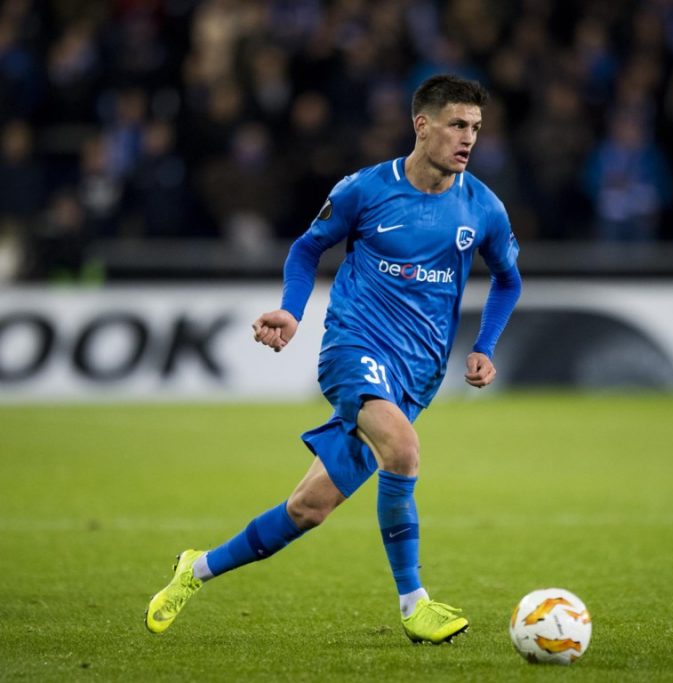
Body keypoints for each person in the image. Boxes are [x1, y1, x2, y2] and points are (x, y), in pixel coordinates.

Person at [145, 74, 522, 644]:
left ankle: (193, 569)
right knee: (403, 450)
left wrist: (484, 346)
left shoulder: (483, 209)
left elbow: (509, 281)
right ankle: (414, 603)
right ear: (422, 126)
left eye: (474, 127)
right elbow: (306, 247)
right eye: (456, 125)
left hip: (416, 377)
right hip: (354, 350)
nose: (468, 138)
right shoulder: (365, 191)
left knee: (308, 508)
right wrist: (292, 312)